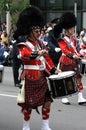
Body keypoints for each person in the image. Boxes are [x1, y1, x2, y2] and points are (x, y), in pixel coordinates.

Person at [13, 5, 61, 130]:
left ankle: (45, 126)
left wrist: (54, 69)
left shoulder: (40, 43)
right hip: (30, 77)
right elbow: (25, 56)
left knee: (48, 101)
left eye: (40, 31)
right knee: (28, 105)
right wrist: (37, 53)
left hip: (42, 77)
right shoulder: (23, 44)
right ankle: (26, 126)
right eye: (36, 31)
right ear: (29, 31)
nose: (39, 33)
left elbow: (47, 59)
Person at [54, 12, 86, 105]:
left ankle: (80, 97)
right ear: (66, 30)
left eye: (73, 28)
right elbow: (64, 50)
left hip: (74, 61)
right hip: (66, 61)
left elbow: (76, 49)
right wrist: (73, 55)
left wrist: (80, 54)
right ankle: (64, 97)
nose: (72, 30)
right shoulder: (62, 40)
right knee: (66, 79)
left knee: (78, 78)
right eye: (71, 28)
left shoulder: (74, 39)